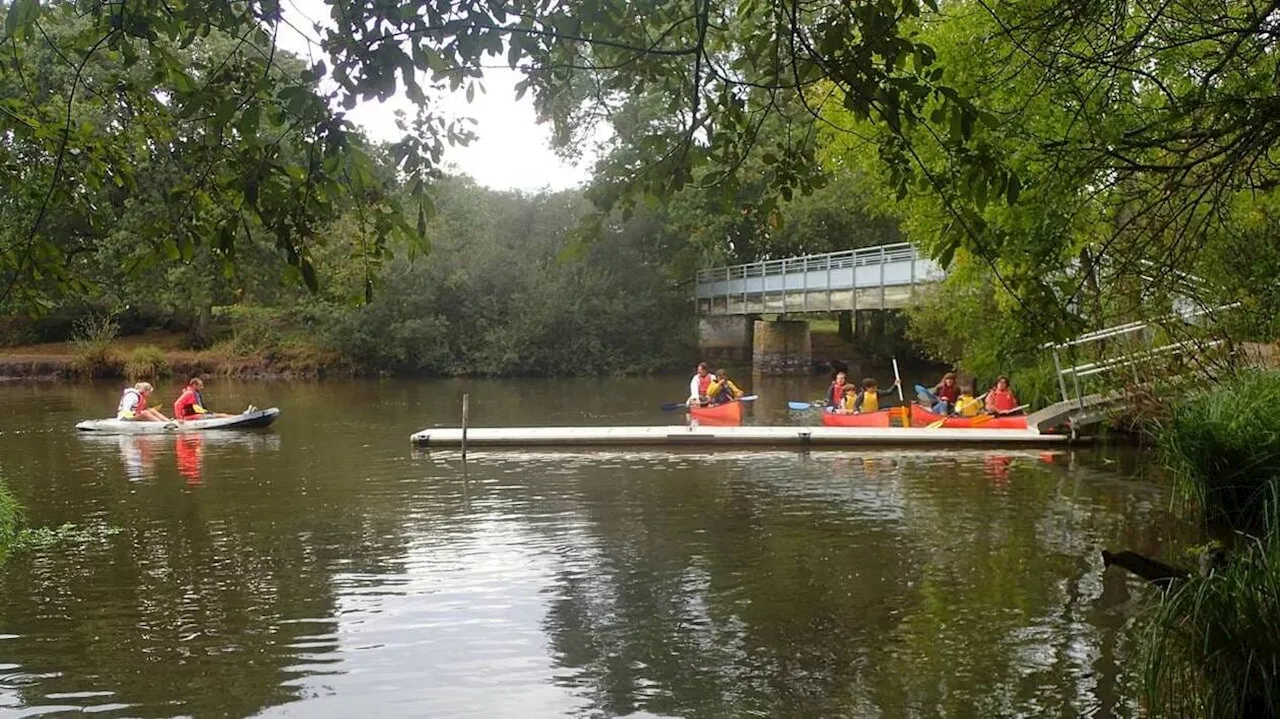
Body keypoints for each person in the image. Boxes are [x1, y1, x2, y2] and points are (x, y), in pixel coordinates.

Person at [173, 377, 243, 420]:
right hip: (192, 417)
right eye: (200, 385)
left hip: (198, 415)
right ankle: (239, 418)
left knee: (221, 414)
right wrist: (180, 418)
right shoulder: (189, 393)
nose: (202, 387)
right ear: (194, 385)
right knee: (221, 415)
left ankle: (240, 417)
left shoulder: (194, 393)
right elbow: (177, 404)